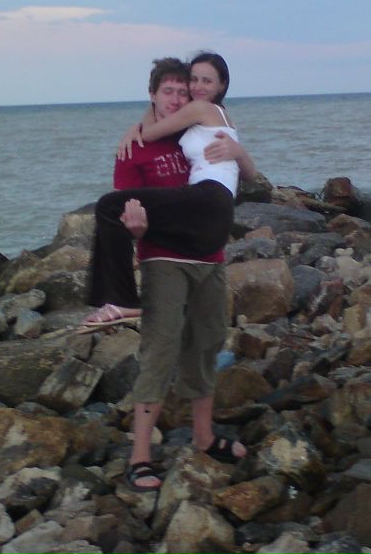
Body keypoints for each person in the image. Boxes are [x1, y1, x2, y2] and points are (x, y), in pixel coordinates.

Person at [83, 54, 257, 490]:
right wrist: (137, 229)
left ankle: (204, 436)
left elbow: (243, 171)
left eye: (187, 89)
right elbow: (129, 214)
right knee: (160, 350)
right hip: (163, 260)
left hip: (209, 258)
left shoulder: (190, 131)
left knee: (206, 344)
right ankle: (140, 456)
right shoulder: (135, 149)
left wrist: (238, 151)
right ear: (153, 94)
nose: (180, 97)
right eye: (171, 90)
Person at [84, 52, 256, 327]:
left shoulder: (199, 110)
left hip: (209, 202)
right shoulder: (205, 123)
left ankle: (121, 300)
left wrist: (137, 126)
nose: (197, 88)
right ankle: (116, 301)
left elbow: (149, 133)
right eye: (194, 81)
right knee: (113, 209)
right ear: (153, 94)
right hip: (208, 224)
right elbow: (250, 175)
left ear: (221, 85)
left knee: (107, 206)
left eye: (205, 81)